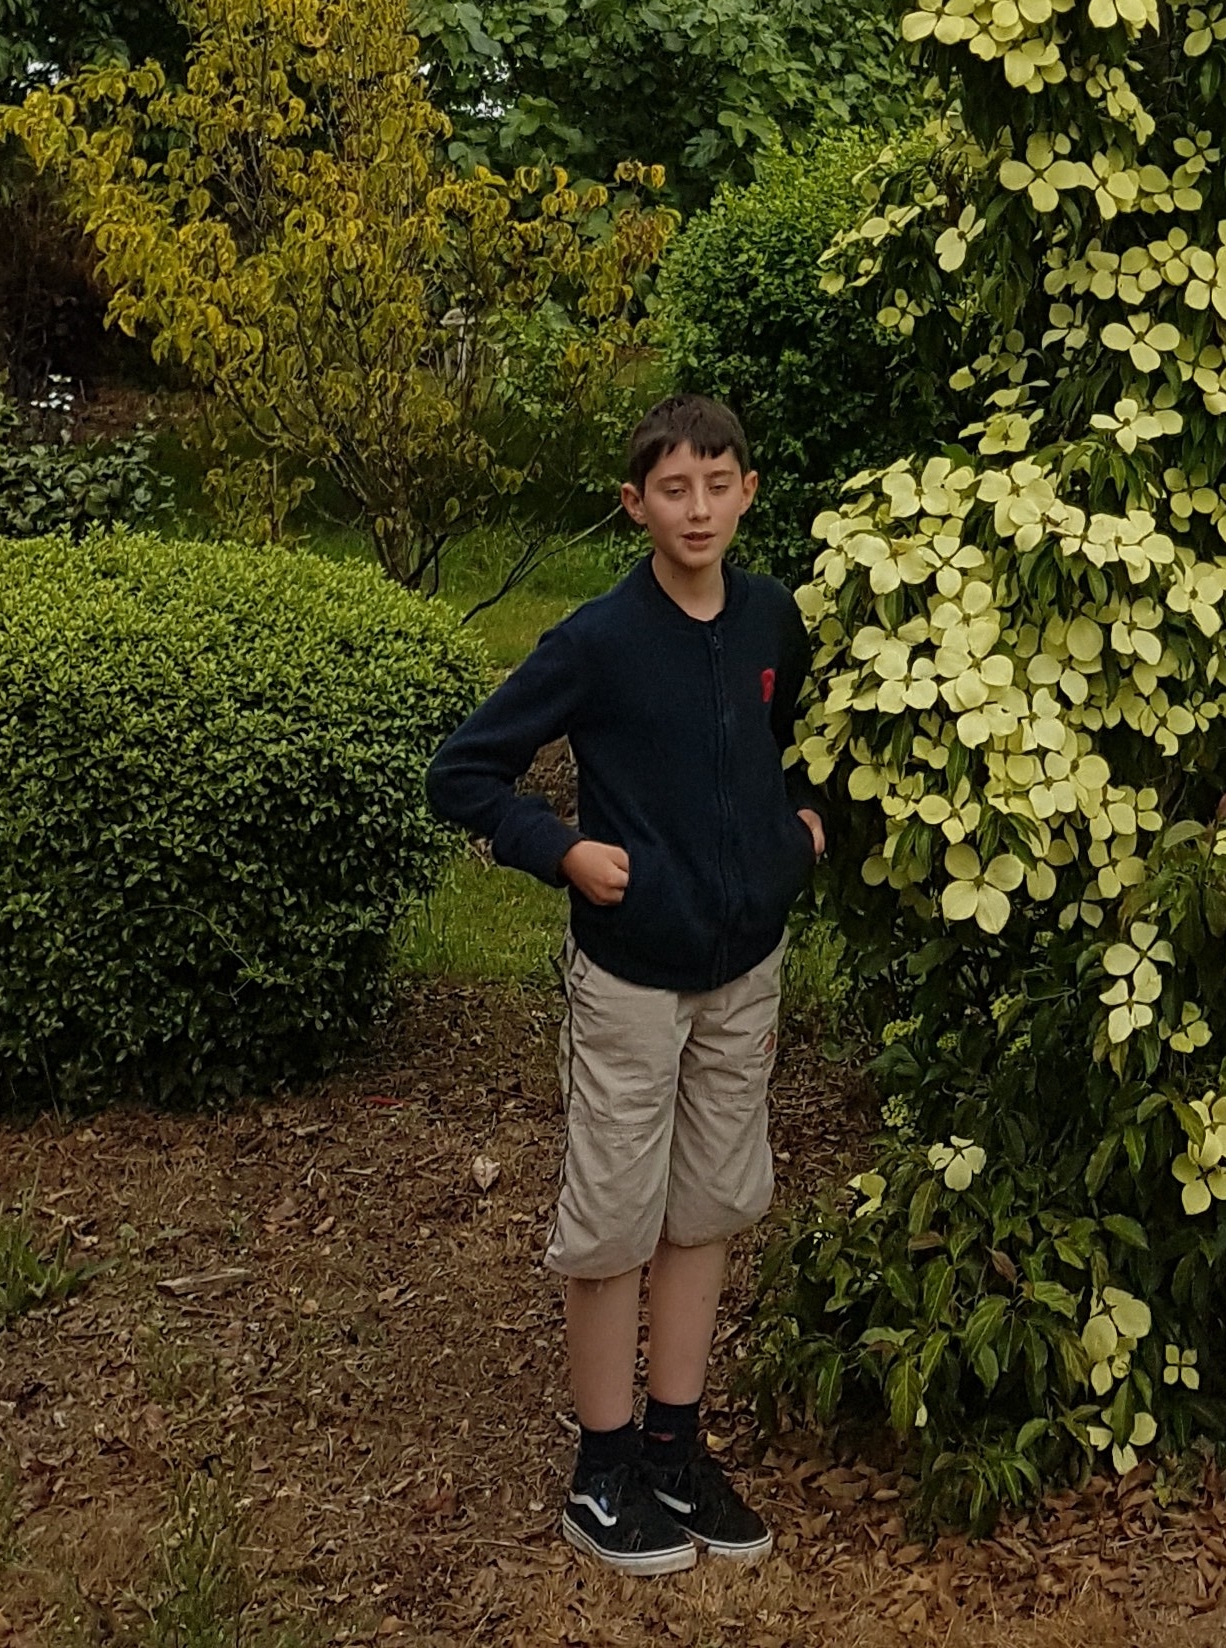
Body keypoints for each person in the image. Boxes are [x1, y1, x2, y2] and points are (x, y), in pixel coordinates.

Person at [428, 392, 825, 1575]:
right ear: (635, 502)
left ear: (748, 491)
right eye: (671, 488)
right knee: (613, 1222)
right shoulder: (596, 641)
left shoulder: (770, 622)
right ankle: (600, 1474)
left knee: (704, 1210)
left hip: (741, 973)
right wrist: (560, 849)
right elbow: (464, 773)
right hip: (631, 981)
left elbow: (789, 745)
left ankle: (672, 1448)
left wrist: (802, 832)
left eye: (717, 484)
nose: (696, 508)